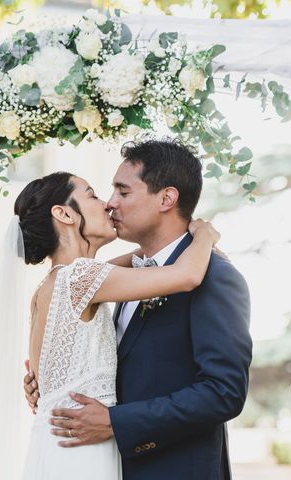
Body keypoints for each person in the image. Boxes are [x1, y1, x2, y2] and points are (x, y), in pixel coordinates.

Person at [24, 138, 253, 479]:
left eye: (123, 192)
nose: (110, 204)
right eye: (101, 194)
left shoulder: (215, 277)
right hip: (89, 459)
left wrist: (116, 422)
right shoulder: (103, 277)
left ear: (166, 198)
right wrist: (50, 385)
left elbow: (224, 393)